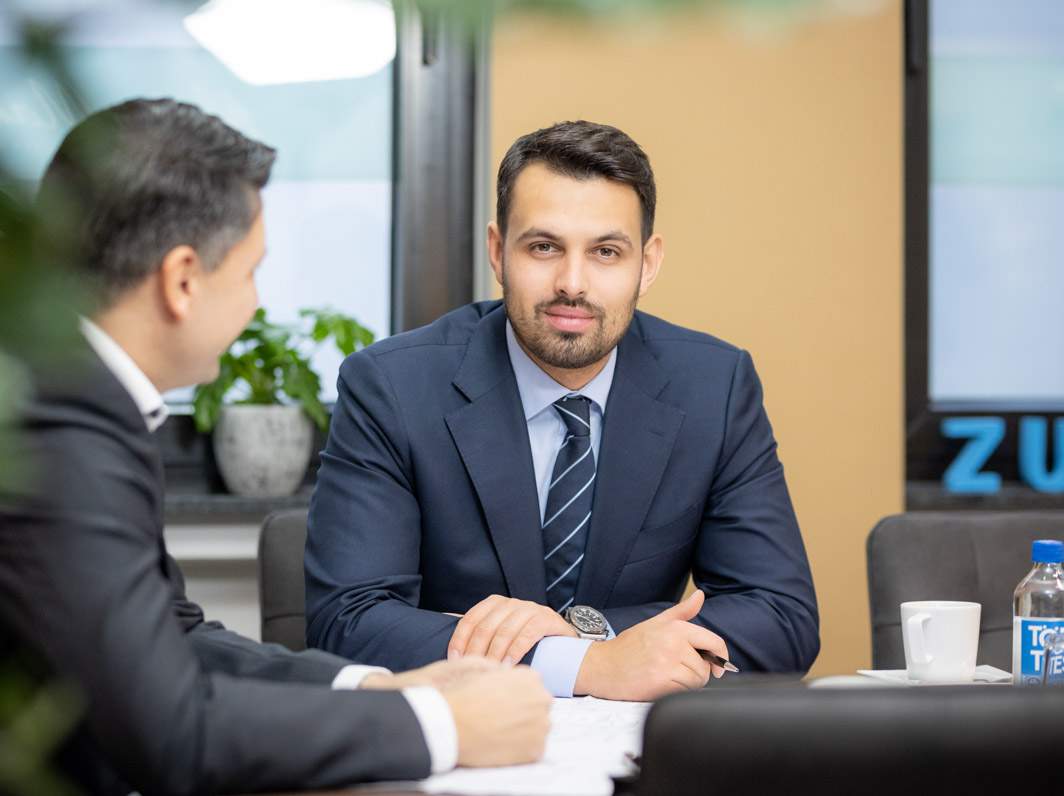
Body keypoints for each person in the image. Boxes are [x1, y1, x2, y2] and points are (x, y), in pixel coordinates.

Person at [0, 99, 551, 796]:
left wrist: (379, 685)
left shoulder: (60, 382)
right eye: (251, 271)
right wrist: (439, 725)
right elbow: (173, 736)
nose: (255, 303)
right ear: (182, 279)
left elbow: (174, 634)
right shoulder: (48, 414)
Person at [305, 120, 820, 701]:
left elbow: (781, 618)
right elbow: (347, 622)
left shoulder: (715, 387)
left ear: (647, 264)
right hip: (457, 742)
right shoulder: (391, 387)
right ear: (499, 253)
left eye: (606, 251)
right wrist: (580, 665)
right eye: (544, 247)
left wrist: (589, 634)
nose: (572, 284)